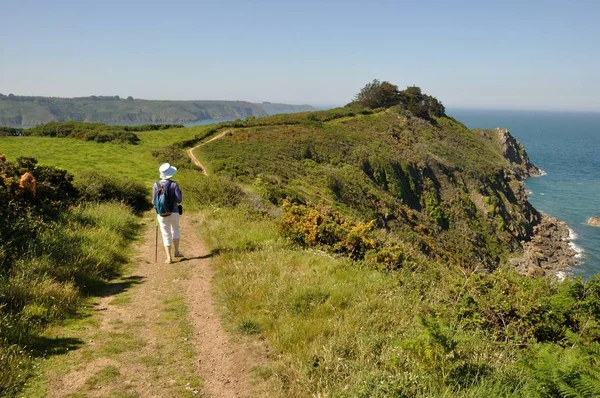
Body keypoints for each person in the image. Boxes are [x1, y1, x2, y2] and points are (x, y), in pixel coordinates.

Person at [152, 163, 183, 263]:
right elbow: (179, 200)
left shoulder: (156, 185)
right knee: (176, 230)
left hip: (161, 213)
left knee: (166, 233)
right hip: (174, 211)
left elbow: (153, 202)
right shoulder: (174, 184)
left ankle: (169, 257)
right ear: (170, 174)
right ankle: (177, 252)